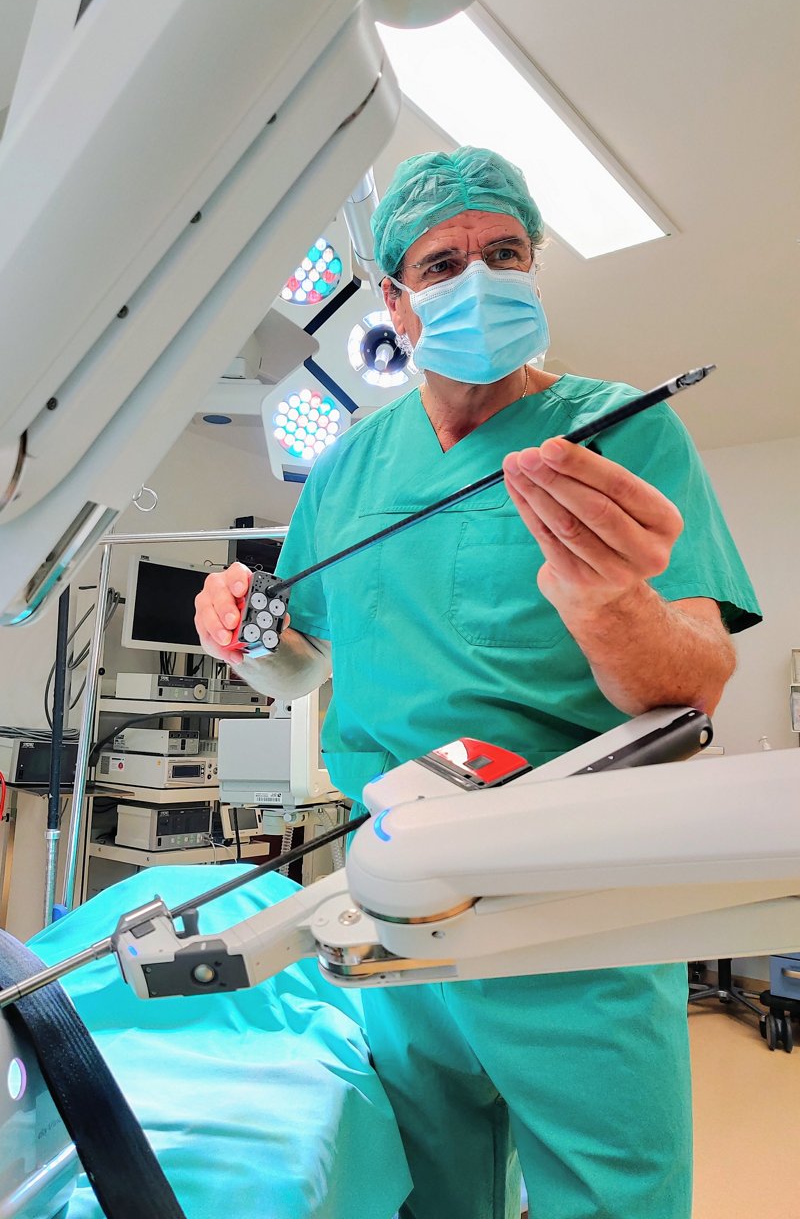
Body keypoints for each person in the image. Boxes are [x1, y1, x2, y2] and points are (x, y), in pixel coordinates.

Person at [195, 147, 761, 1219]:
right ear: (397, 304)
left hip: (571, 893)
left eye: (504, 253)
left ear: (535, 265)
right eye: (444, 265)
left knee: (615, 1196)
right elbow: (301, 658)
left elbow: (701, 679)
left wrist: (612, 604)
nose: (480, 280)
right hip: (396, 889)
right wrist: (241, 634)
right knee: (434, 1192)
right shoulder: (345, 468)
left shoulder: (618, 431)